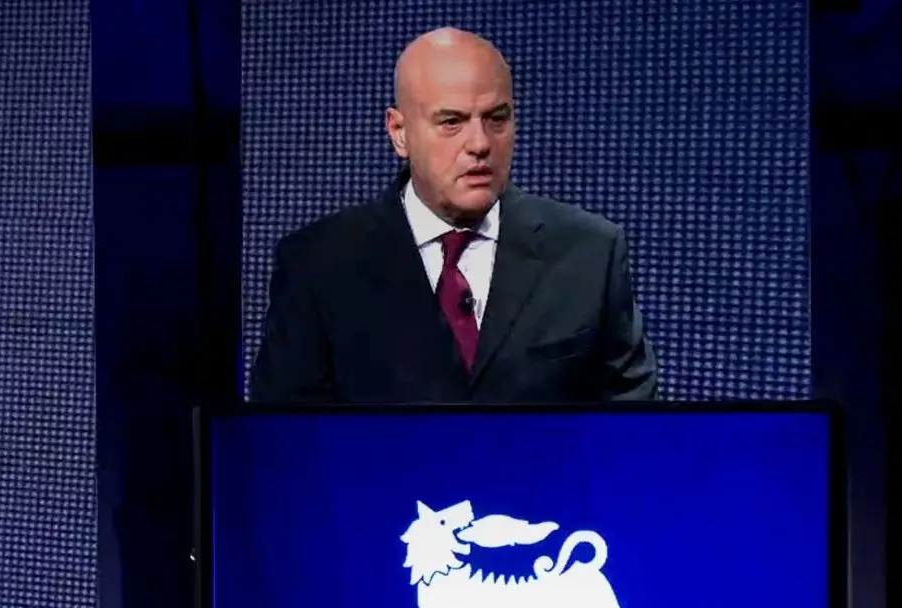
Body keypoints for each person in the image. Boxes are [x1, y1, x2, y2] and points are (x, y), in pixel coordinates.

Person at [249, 27, 658, 404]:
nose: (480, 143)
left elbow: (634, 427)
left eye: (497, 118)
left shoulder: (590, 252)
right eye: (451, 122)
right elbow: (285, 437)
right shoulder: (318, 265)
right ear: (399, 132)